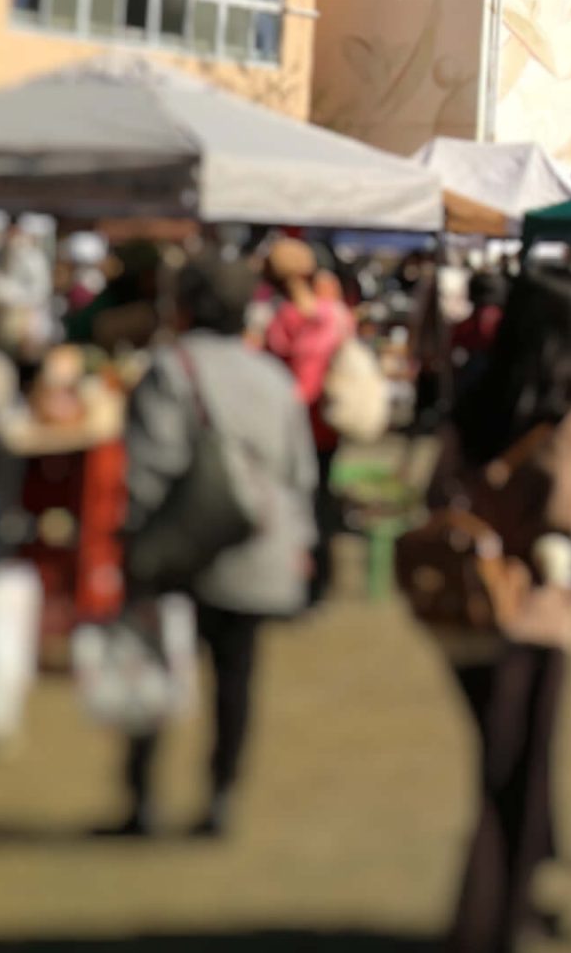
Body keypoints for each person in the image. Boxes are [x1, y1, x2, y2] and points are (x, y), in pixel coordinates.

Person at [424, 269, 571, 953]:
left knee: (498, 760)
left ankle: (511, 903)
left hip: (466, 604)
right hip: (536, 610)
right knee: (519, 772)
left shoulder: (475, 397)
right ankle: (490, 920)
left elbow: (435, 488)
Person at [115, 251, 320, 840]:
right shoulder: (274, 378)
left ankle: (143, 798)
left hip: (179, 548)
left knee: (154, 669)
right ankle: (221, 796)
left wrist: (134, 541)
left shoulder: (170, 369)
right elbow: (298, 473)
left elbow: (150, 469)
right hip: (256, 546)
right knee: (236, 680)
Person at [260, 237, 356, 609]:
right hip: (327, 425)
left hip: (290, 426)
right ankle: (320, 584)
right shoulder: (335, 314)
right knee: (321, 501)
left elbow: (270, 366)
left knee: (294, 505)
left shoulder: (282, 320)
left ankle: (297, 583)